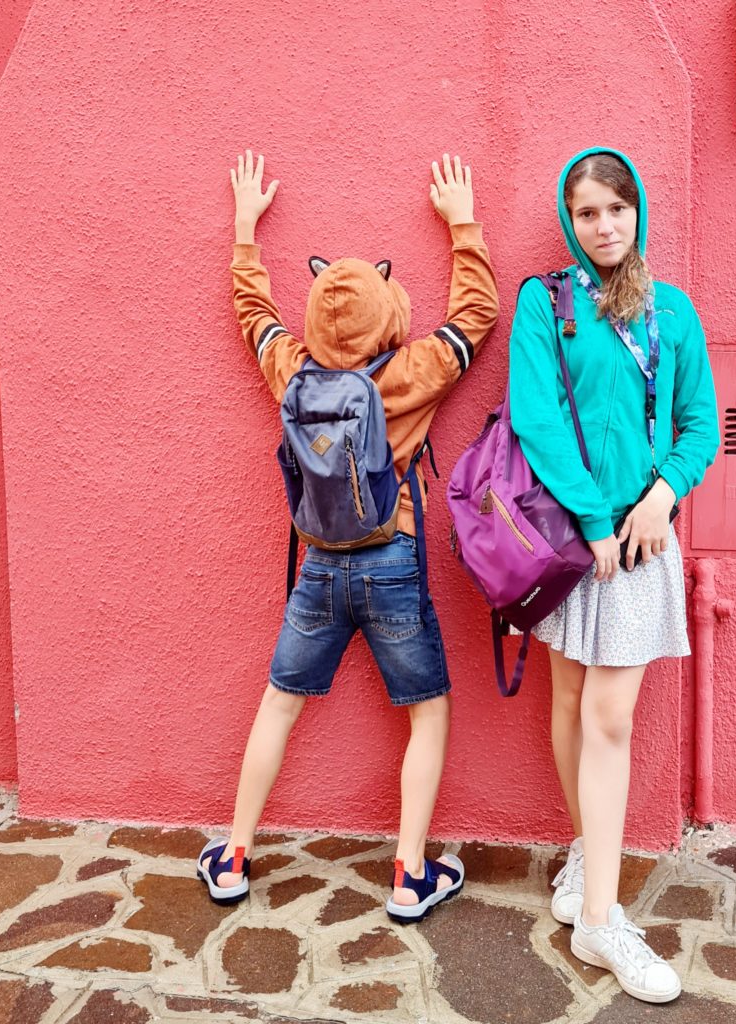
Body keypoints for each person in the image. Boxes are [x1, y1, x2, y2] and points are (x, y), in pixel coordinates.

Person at [196, 151, 498, 923]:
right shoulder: (410, 373)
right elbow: (476, 315)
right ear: (387, 312)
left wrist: (244, 230)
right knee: (427, 710)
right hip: (393, 559)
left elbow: (254, 317)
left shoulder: (292, 372)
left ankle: (232, 855)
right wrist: (462, 223)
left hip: (319, 565)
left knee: (280, 702)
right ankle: (409, 874)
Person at [508, 148, 719, 1002]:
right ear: (570, 220)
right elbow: (538, 419)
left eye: (616, 209)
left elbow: (700, 424)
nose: (604, 226)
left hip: (640, 548)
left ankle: (598, 916)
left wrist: (662, 497)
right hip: (569, 542)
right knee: (567, 702)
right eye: (587, 212)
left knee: (607, 717)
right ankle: (588, 854)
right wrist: (594, 521)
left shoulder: (673, 311)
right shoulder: (546, 302)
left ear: (638, 213)